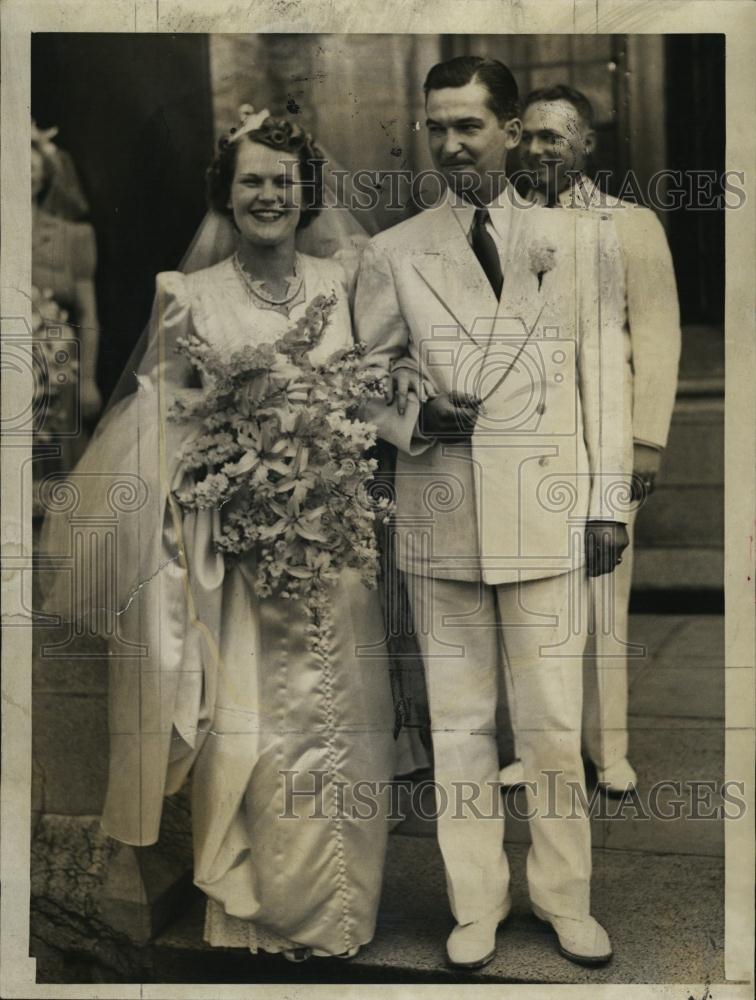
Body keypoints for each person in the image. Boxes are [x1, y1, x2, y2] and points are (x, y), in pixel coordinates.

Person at [40, 108, 398, 961]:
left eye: (283, 180)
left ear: (307, 190)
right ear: (226, 195)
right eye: (252, 182)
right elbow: (158, 416)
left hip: (336, 545)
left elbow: (370, 396)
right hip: (239, 552)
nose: (269, 194)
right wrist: (222, 467)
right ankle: (268, 905)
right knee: (258, 726)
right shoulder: (187, 293)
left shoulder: (343, 279)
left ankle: (348, 908)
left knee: (350, 717)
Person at [355, 55, 632, 970]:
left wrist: (606, 505)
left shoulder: (579, 239)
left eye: (469, 125)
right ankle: (475, 902)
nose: (450, 144)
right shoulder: (394, 251)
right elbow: (366, 383)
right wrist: (412, 417)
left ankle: (564, 898)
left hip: (551, 510)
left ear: (512, 131)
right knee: (460, 729)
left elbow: (605, 383)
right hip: (444, 512)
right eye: (437, 127)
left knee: (553, 726)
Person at [495, 85, 680, 795]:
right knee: (530, 601)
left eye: (556, 137)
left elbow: (658, 335)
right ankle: (537, 748)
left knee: (603, 596)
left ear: (587, 145)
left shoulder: (629, 224)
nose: (540, 149)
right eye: (531, 135)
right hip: (525, 444)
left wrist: (646, 442)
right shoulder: (501, 223)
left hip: (606, 437)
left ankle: (609, 751)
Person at [32, 121, 103, 510]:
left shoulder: (72, 236)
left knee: (59, 495)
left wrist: (89, 379)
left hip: (59, 375)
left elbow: (88, 313)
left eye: (31, 169)